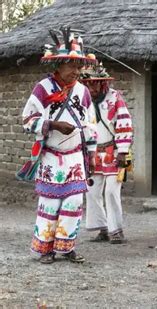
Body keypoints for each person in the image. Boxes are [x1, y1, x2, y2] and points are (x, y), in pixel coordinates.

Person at [19, 26, 98, 264]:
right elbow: (27, 120)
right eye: (72, 66)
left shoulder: (83, 91)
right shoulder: (43, 88)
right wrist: (52, 125)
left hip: (75, 157)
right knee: (50, 204)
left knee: (74, 203)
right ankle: (45, 250)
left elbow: (90, 124)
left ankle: (66, 247)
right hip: (52, 157)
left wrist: (91, 156)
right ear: (59, 65)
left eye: (79, 66)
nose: (77, 70)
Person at [81, 62, 133, 244]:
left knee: (111, 191)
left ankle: (116, 230)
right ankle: (102, 228)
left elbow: (125, 124)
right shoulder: (83, 101)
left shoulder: (115, 98)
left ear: (103, 83)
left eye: (94, 83)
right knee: (92, 191)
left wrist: (123, 152)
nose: (91, 87)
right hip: (94, 153)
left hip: (114, 151)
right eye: (87, 84)